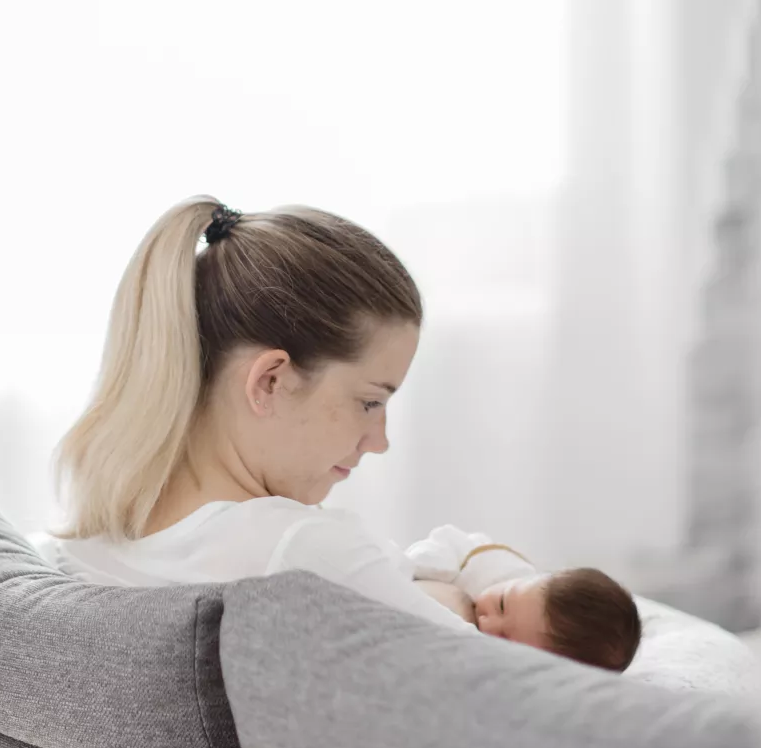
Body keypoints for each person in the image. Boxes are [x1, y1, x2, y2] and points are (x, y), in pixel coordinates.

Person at [35, 196, 641, 671]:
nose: (379, 441)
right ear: (269, 381)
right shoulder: (303, 551)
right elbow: (529, 695)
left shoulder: (87, 540)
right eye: (370, 401)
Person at [406, 526, 642, 672]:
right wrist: (427, 566)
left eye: (505, 640)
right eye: (501, 604)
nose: (487, 623)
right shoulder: (496, 567)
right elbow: (452, 541)